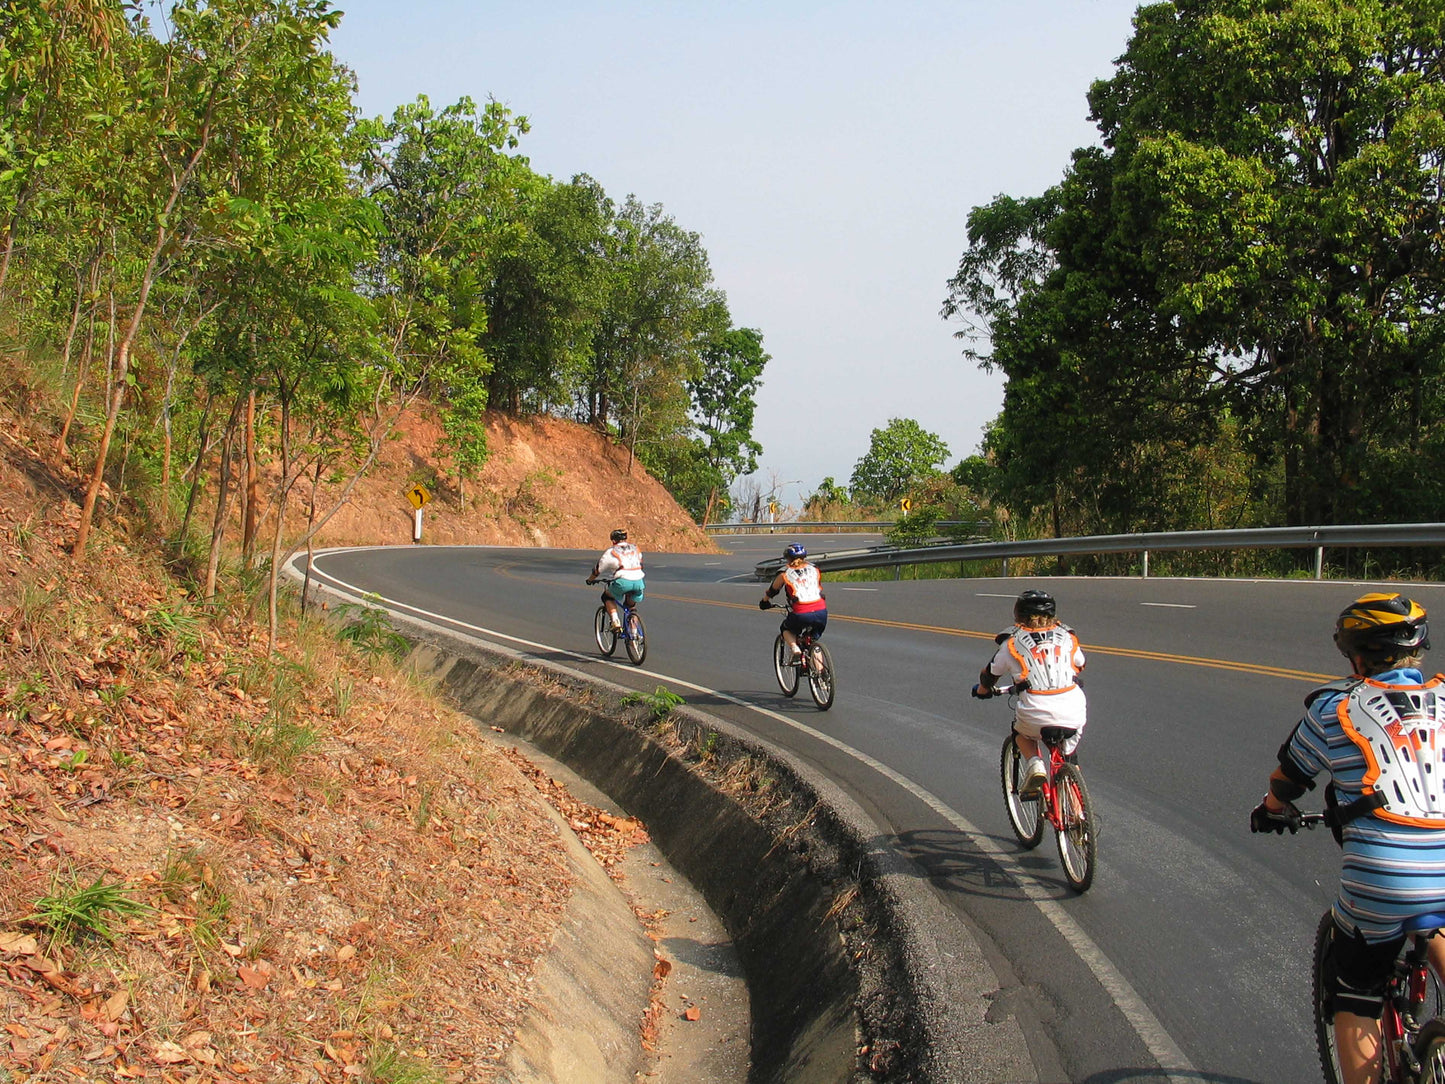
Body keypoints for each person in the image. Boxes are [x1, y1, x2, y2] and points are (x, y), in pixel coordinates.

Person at [1251, 592, 1445, 1084]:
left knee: (1355, 989)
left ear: (1356, 657)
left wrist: (1273, 811)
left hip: (1384, 876)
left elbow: (1288, 780)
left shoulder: (1335, 707)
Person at [971, 589, 1087, 797]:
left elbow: (990, 674)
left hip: (1035, 711)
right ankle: (1078, 815)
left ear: (1019, 614)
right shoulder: (1067, 637)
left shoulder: (1011, 643)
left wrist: (983, 690)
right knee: (1069, 756)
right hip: (1073, 709)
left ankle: (1034, 764)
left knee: (1021, 734)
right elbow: (1080, 663)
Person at [760, 543, 827, 667]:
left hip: (801, 612)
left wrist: (764, 602)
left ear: (787, 558)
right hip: (821, 610)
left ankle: (795, 649)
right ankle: (822, 677)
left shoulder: (784, 573)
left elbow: (773, 591)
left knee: (786, 629)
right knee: (812, 641)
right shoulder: (814, 569)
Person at [587, 529, 644, 631]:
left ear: (613, 541)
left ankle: (615, 621)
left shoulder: (611, 552)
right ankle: (634, 634)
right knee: (631, 607)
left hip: (623, 582)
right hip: (639, 582)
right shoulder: (635, 549)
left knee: (607, 597)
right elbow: (640, 564)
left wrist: (590, 580)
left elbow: (597, 570)